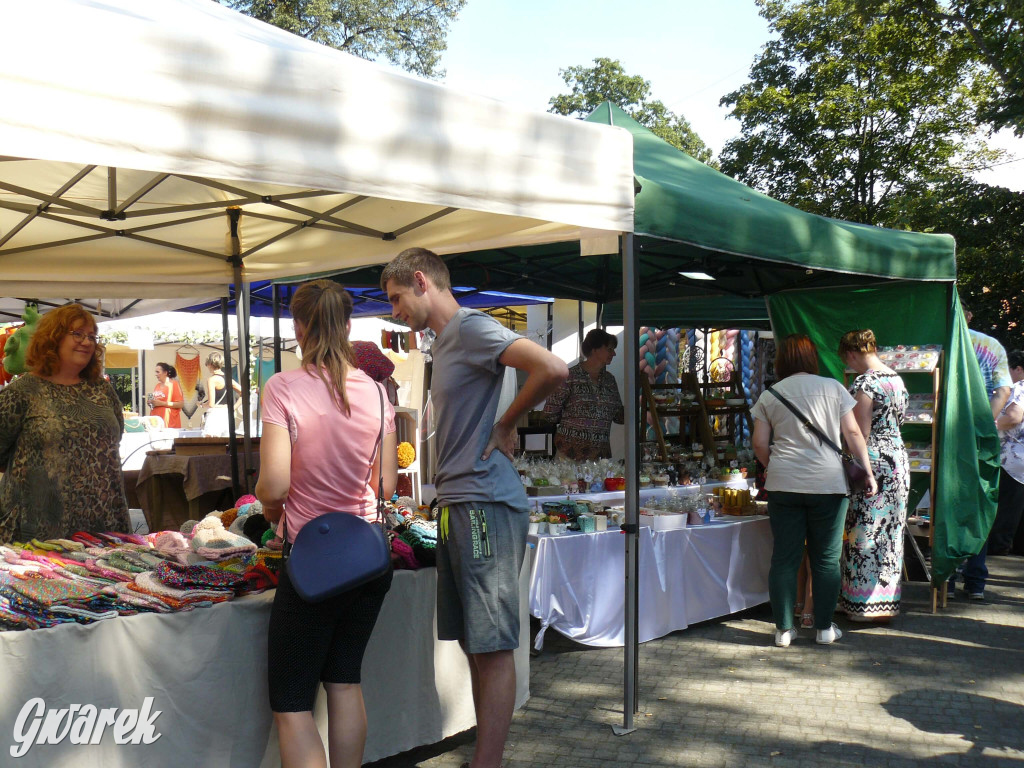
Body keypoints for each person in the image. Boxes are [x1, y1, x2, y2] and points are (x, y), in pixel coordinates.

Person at [381, 247, 567, 768]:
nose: (394, 311)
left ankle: (487, 762)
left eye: (397, 298)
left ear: (421, 281)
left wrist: (507, 422)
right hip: (459, 502)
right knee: (472, 642)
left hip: (485, 500)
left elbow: (552, 368)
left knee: (491, 644)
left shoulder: (470, 328)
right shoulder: (444, 343)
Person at [255, 280, 397, 768]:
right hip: (369, 557)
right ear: (348, 325)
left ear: (299, 326)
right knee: (344, 679)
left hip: (315, 560)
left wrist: (272, 508)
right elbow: (387, 486)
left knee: (292, 701)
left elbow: (273, 487)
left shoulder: (283, 387)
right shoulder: (378, 393)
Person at [750, 334, 877, 648]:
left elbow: (758, 444)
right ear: (811, 359)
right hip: (828, 485)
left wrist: (775, 466)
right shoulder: (833, 388)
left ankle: (783, 630)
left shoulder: (771, 395)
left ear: (781, 361)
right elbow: (852, 433)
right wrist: (868, 473)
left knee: (784, 558)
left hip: (783, 485)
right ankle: (822, 628)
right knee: (826, 559)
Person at [0, 304, 130, 542]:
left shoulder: (102, 389)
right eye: (77, 334)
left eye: (92, 336)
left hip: (104, 524)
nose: (87, 342)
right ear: (53, 338)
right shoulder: (22, 392)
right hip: (40, 528)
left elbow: (115, 438)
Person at [836, 329, 910, 622]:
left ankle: (861, 605)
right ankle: (886, 601)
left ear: (852, 354)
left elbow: (860, 432)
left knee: (863, 531)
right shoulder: (896, 378)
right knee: (890, 534)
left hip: (874, 463)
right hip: (898, 461)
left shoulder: (865, 383)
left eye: (848, 360)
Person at [949, 304, 1012, 602]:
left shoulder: (941, 343)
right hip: (982, 440)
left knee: (944, 506)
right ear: (970, 315)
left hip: (946, 438)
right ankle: (975, 580)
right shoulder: (991, 345)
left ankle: (946, 576)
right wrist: (983, 427)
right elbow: (1003, 391)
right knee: (979, 507)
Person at [542, 328, 624, 460]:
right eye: (609, 349)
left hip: (599, 457)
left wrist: (641, 403)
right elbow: (549, 413)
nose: (613, 353)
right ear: (594, 349)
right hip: (569, 454)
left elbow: (619, 416)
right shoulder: (569, 377)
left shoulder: (609, 380)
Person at [989, 350, 1024, 556]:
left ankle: (998, 551)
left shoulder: (1019, 387)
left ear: (1018, 369)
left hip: (1012, 459)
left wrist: (987, 426)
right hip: (1019, 460)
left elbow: (1013, 417)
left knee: (1005, 513)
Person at [201, 351, 242, 437]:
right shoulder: (228, 379)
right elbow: (244, 393)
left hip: (215, 415)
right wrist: (234, 407)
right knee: (226, 444)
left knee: (211, 443)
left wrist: (202, 405)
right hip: (227, 414)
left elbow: (211, 404)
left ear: (209, 364)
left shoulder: (212, 380)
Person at [150, 362, 183, 429]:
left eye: (158, 372)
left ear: (165, 373)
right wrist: (151, 402)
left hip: (169, 422)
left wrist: (162, 403)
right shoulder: (157, 386)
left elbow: (180, 404)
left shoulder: (173, 384)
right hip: (156, 422)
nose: (156, 374)